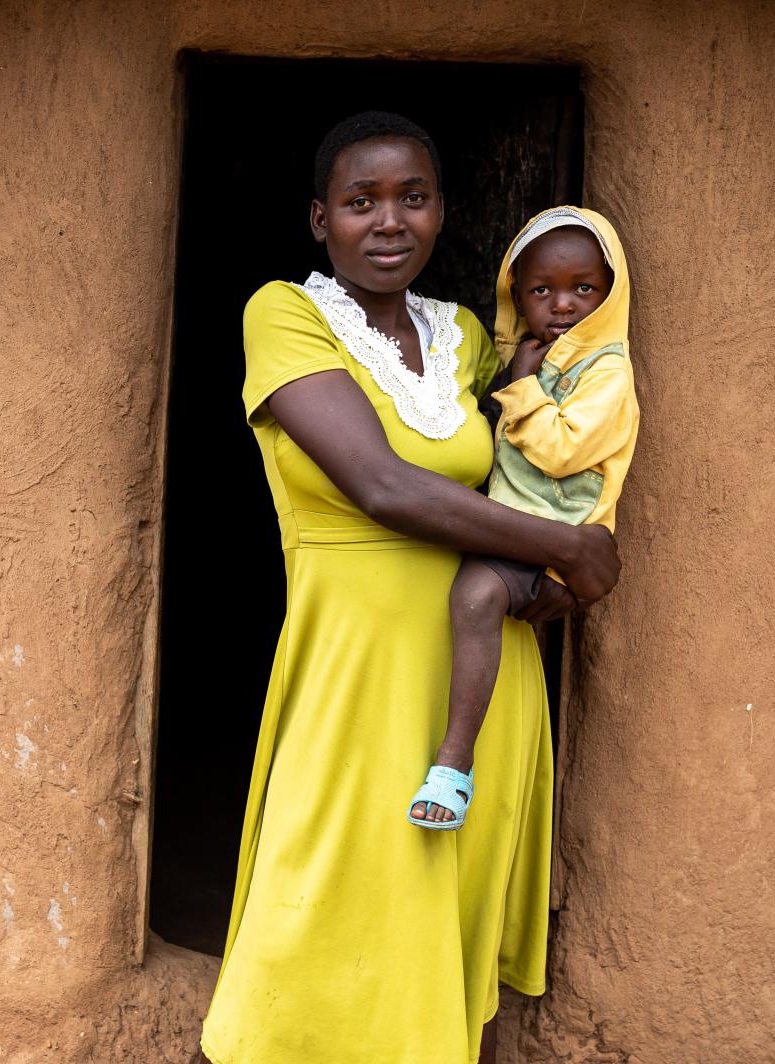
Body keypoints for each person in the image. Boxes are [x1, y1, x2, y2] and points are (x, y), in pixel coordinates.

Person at [197, 111, 620, 1064]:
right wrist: (566, 547)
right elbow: (382, 486)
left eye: (412, 198)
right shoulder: (285, 314)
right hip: (358, 667)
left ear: (440, 215)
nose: (389, 221)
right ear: (320, 220)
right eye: (361, 202)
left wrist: (561, 558)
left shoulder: (465, 334)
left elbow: (533, 456)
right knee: (330, 897)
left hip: (475, 672)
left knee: (436, 908)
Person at [408, 207, 639, 829]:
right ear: (516, 295)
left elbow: (564, 451)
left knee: (475, 599)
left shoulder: (608, 372)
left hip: (554, 541)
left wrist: (522, 386)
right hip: (508, 532)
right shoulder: (530, 358)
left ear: (610, 295)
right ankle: (457, 767)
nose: (562, 305)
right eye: (542, 290)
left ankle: (453, 763)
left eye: (583, 289)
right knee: (470, 605)